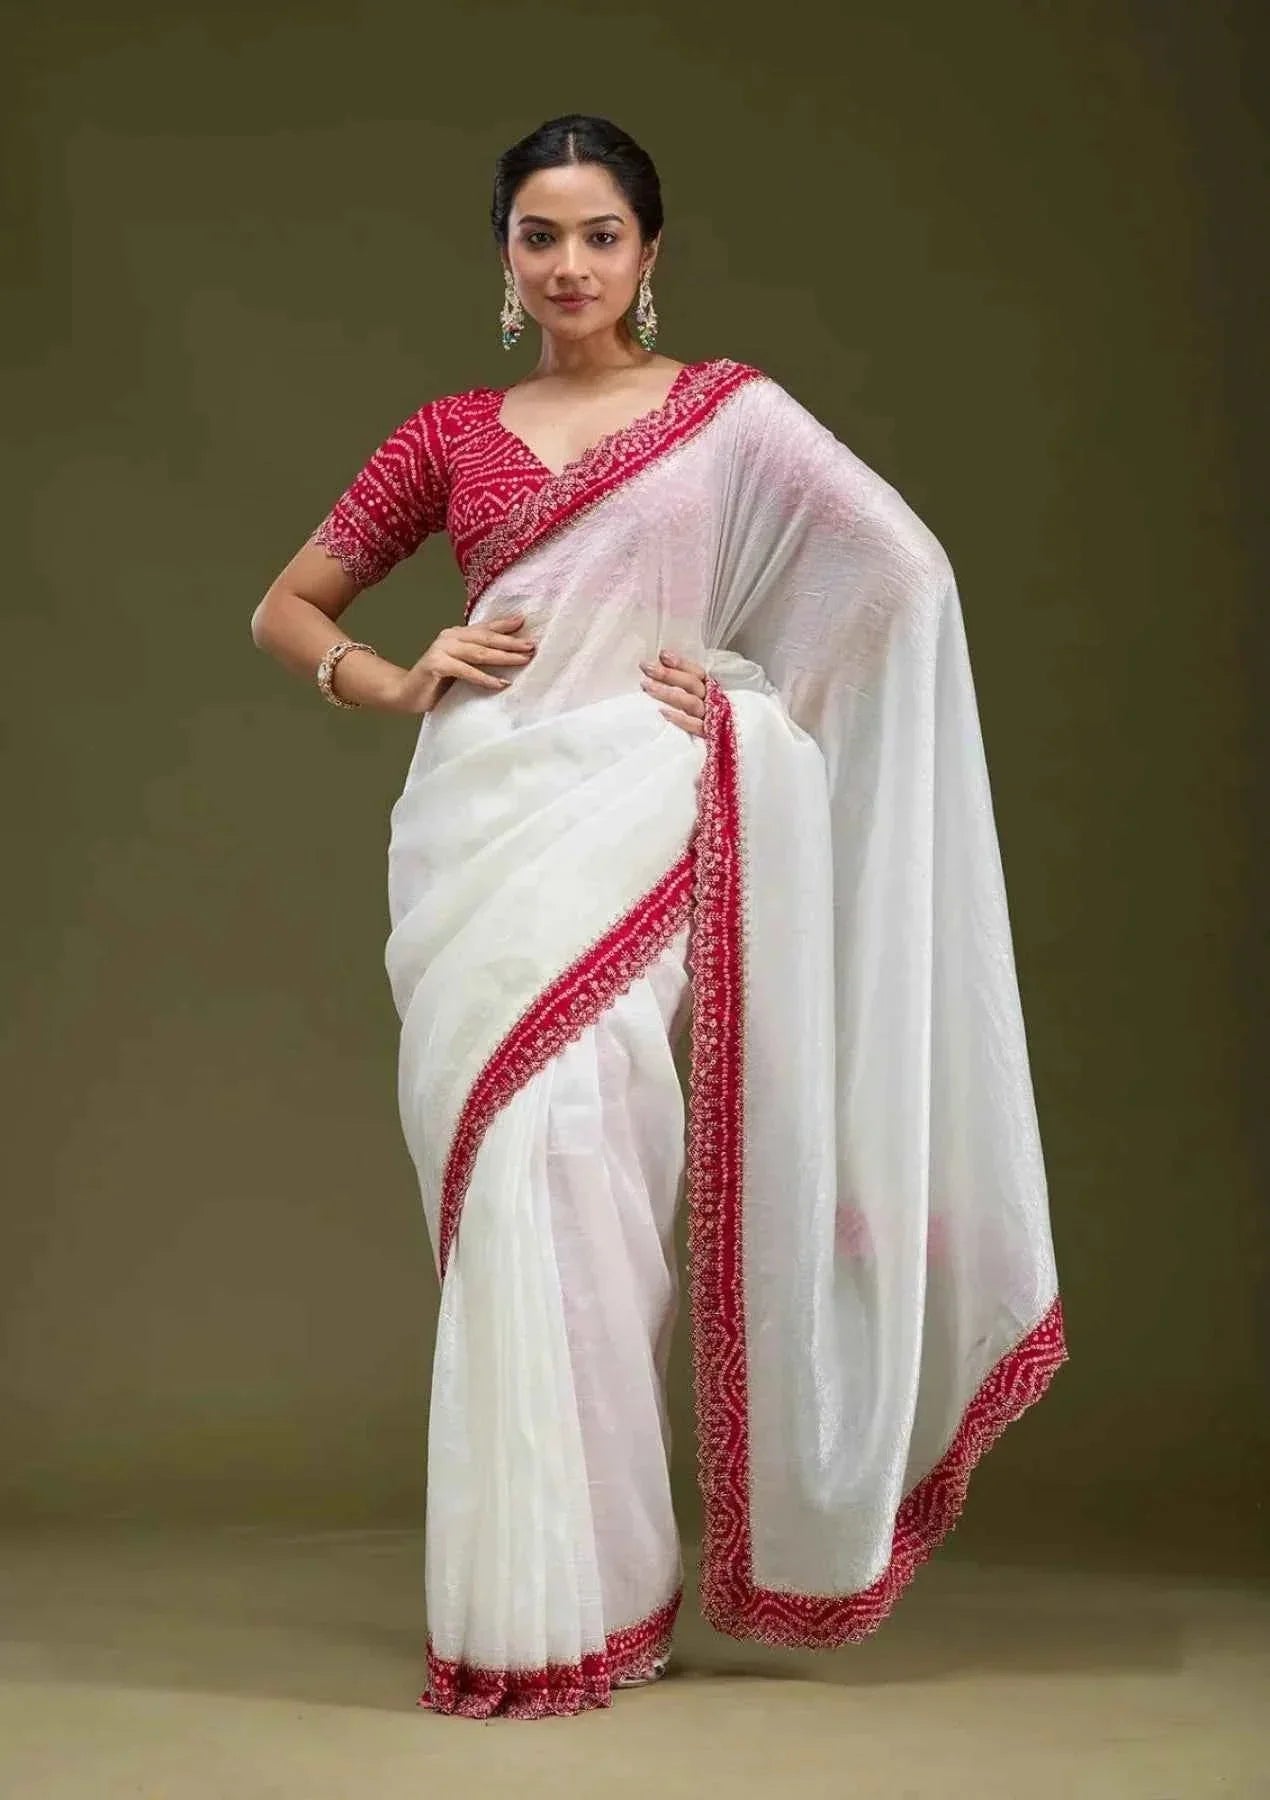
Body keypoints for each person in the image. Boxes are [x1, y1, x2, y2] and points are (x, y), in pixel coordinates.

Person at [250, 112, 1068, 1722]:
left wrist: (749, 704)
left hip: (633, 825)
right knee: (508, 1211)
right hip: (482, 836)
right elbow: (284, 604)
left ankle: (600, 1602)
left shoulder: (729, 419)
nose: (568, 265)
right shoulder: (445, 433)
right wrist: (393, 678)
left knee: (593, 1194)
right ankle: (524, 1611)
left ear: (648, 253)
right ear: (503, 255)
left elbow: (901, 580)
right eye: (539, 236)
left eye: (599, 235)